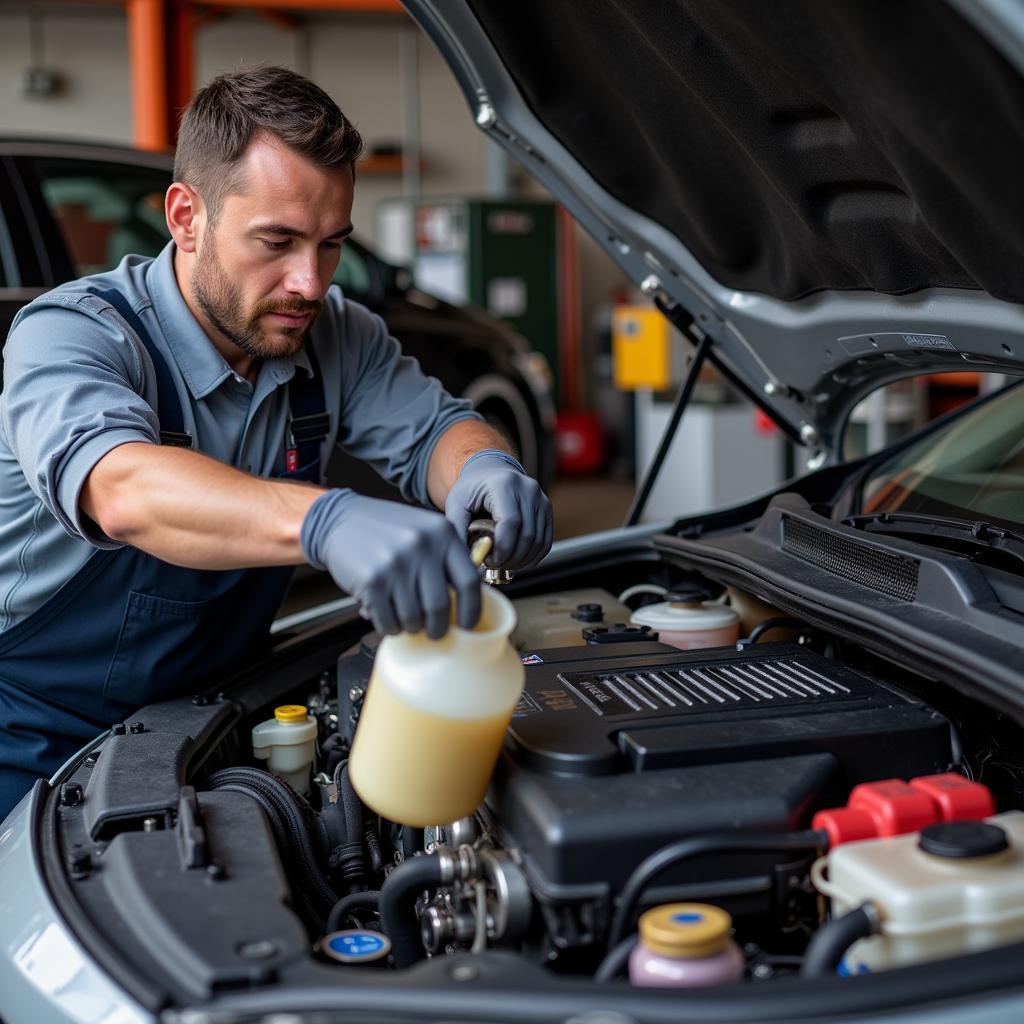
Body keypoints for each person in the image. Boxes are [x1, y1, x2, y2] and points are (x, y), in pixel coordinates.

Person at [0, 66, 552, 818]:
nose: (309, 282)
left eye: (330, 245)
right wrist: (324, 520)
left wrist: (485, 465)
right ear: (186, 216)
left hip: (209, 725)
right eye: (279, 240)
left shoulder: (335, 337)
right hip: (30, 743)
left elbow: (437, 430)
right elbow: (122, 488)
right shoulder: (73, 334)